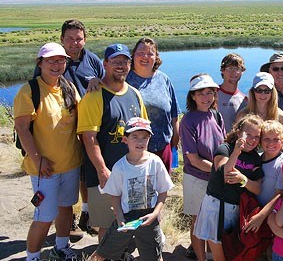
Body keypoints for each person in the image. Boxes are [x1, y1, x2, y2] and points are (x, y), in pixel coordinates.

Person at [33, 19, 104, 235]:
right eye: (70, 39)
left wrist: (97, 82)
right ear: (62, 39)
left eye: (79, 38)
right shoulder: (52, 61)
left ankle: (86, 212)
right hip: (60, 131)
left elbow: (105, 82)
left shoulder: (91, 59)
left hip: (89, 126)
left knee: (84, 171)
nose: (74, 43)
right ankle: (67, 221)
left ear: (85, 39)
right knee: (66, 175)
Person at [14, 42, 82, 261]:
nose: (57, 64)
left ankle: (61, 247)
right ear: (40, 63)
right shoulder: (29, 91)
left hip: (70, 163)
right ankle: (32, 257)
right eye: (51, 60)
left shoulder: (68, 87)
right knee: (44, 216)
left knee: (66, 208)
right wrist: (38, 159)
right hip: (44, 169)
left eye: (61, 60)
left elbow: (81, 118)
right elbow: (22, 128)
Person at [77, 43, 148, 242]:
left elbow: (143, 133)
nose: (121, 66)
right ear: (105, 64)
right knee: (108, 225)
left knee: (131, 221)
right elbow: (89, 138)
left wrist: (144, 165)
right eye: (115, 61)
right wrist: (101, 170)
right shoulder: (94, 96)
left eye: (125, 61)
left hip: (132, 172)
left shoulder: (134, 93)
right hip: (105, 175)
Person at [89, 117, 174, 261]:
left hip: (149, 216)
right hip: (125, 217)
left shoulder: (155, 162)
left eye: (144, 137)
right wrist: (119, 216)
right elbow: (115, 195)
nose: (140, 142)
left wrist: (156, 213)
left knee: (154, 256)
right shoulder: (120, 167)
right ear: (125, 139)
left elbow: (163, 191)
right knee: (102, 253)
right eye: (134, 137)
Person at [194, 114, 264, 261]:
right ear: (239, 133)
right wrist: (237, 152)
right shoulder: (225, 148)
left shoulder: (255, 158)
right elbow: (225, 172)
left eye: (256, 136)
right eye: (248, 135)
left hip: (235, 210)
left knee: (231, 250)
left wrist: (243, 179)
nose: (252, 140)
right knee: (220, 254)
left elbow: (257, 188)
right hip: (216, 207)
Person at [180, 73, 226, 261]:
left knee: (213, 221)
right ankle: (201, 258)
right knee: (198, 221)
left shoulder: (216, 115)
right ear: (192, 96)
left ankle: (210, 254)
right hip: (196, 179)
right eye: (201, 94)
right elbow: (194, 159)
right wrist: (221, 171)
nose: (207, 98)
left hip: (215, 178)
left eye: (210, 93)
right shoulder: (188, 120)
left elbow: (223, 145)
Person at [127, 38, 180, 172]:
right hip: (134, 150)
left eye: (150, 53)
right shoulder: (125, 79)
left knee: (162, 189)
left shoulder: (163, 79)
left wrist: (175, 137)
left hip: (163, 147)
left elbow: (174, 113)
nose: (145, 57)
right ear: (133, 55)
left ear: (156, 57)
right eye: (140, 53)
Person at [247, 120, 283, 261]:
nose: (271, 143)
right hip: (254, 211)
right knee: (255, 249)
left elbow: (279, 195)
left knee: (270, 249)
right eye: (267, 139)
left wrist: (261, 216)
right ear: (260, 141)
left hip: (272, 215)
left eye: (276, 139)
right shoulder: (256, 158)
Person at [236, 72, 283, 157]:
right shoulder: (243, 115)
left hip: (271, 161)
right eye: (259, 90)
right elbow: (235, 141)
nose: (263, 94)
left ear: (272, 92)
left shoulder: (280, 116)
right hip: (246, 161)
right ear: (253, 92)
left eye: (267, 91)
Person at [217, 53, 247, 133]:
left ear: (242, 72)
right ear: (222, 70)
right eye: (230, 68)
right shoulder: (212, 94)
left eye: (237, 69)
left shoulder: (245, 100)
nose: (234, 72)